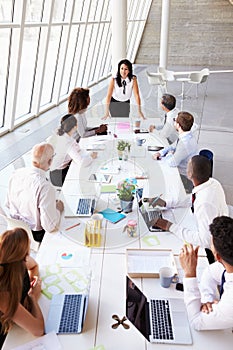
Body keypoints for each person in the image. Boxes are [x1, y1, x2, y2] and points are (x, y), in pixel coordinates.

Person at [149, 155, 229, 249]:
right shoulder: (212, 182)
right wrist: (166, 203)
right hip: (214, 224)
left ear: (190, 174)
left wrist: (170, 226)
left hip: (214, 245)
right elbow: (192, 198)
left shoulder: (204, 204)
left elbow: (205, 241)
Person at [179, 216, 233, 330]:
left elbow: (196, 322)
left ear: (217, 256)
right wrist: (208, 300)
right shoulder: (228, 265)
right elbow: (210, 273)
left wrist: (190, 274)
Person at [6, 143, 64, 242]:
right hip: (35, 235)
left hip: (14, 230)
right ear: (50, 161)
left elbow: (7, 204)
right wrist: (58, 208)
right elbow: (49, 226)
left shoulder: (16, 174)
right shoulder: (45, 187)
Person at [0, 228, 44, 348]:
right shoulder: (4, 293)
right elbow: (38, 330)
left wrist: (31, 280)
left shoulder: (14, 261)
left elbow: (34, 266)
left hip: (15, 324)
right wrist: (33, 297)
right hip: (6, 338)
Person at [48, 114, 97, 187]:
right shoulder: (67, 143)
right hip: (59, 175)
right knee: (86, 170)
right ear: (75, 127)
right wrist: (92, 157)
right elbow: (82, 163)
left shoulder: (61, 134)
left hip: (55, 171)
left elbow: (76, 148)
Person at [152, 111, 198, 176]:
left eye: (174, 120)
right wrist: (160, 153)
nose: (173, 122)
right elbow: (172, 146)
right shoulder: (186, 135)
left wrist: (168, 154)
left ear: (178, 125)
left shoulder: (185, 143)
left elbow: (172, 162)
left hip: (183, 176)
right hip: (179, 168)